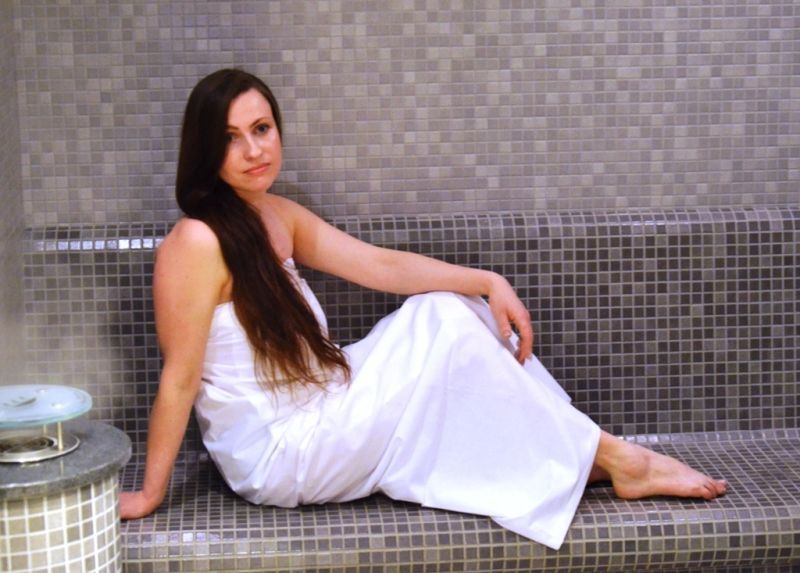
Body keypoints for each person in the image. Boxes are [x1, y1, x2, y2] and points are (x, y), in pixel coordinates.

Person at [120, 68, 727, 550]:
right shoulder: (196, 242)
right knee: (445, 326)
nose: (254, 149)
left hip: (325, 401)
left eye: (262, 128)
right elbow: (180, 378)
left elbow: (381, 266)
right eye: (231, 138)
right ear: (205, 150)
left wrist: (487, 281)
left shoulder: (275, 216)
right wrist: (150, 494)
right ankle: (615, 457)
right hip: (282, 451)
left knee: (446, 306)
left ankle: (582, 453)